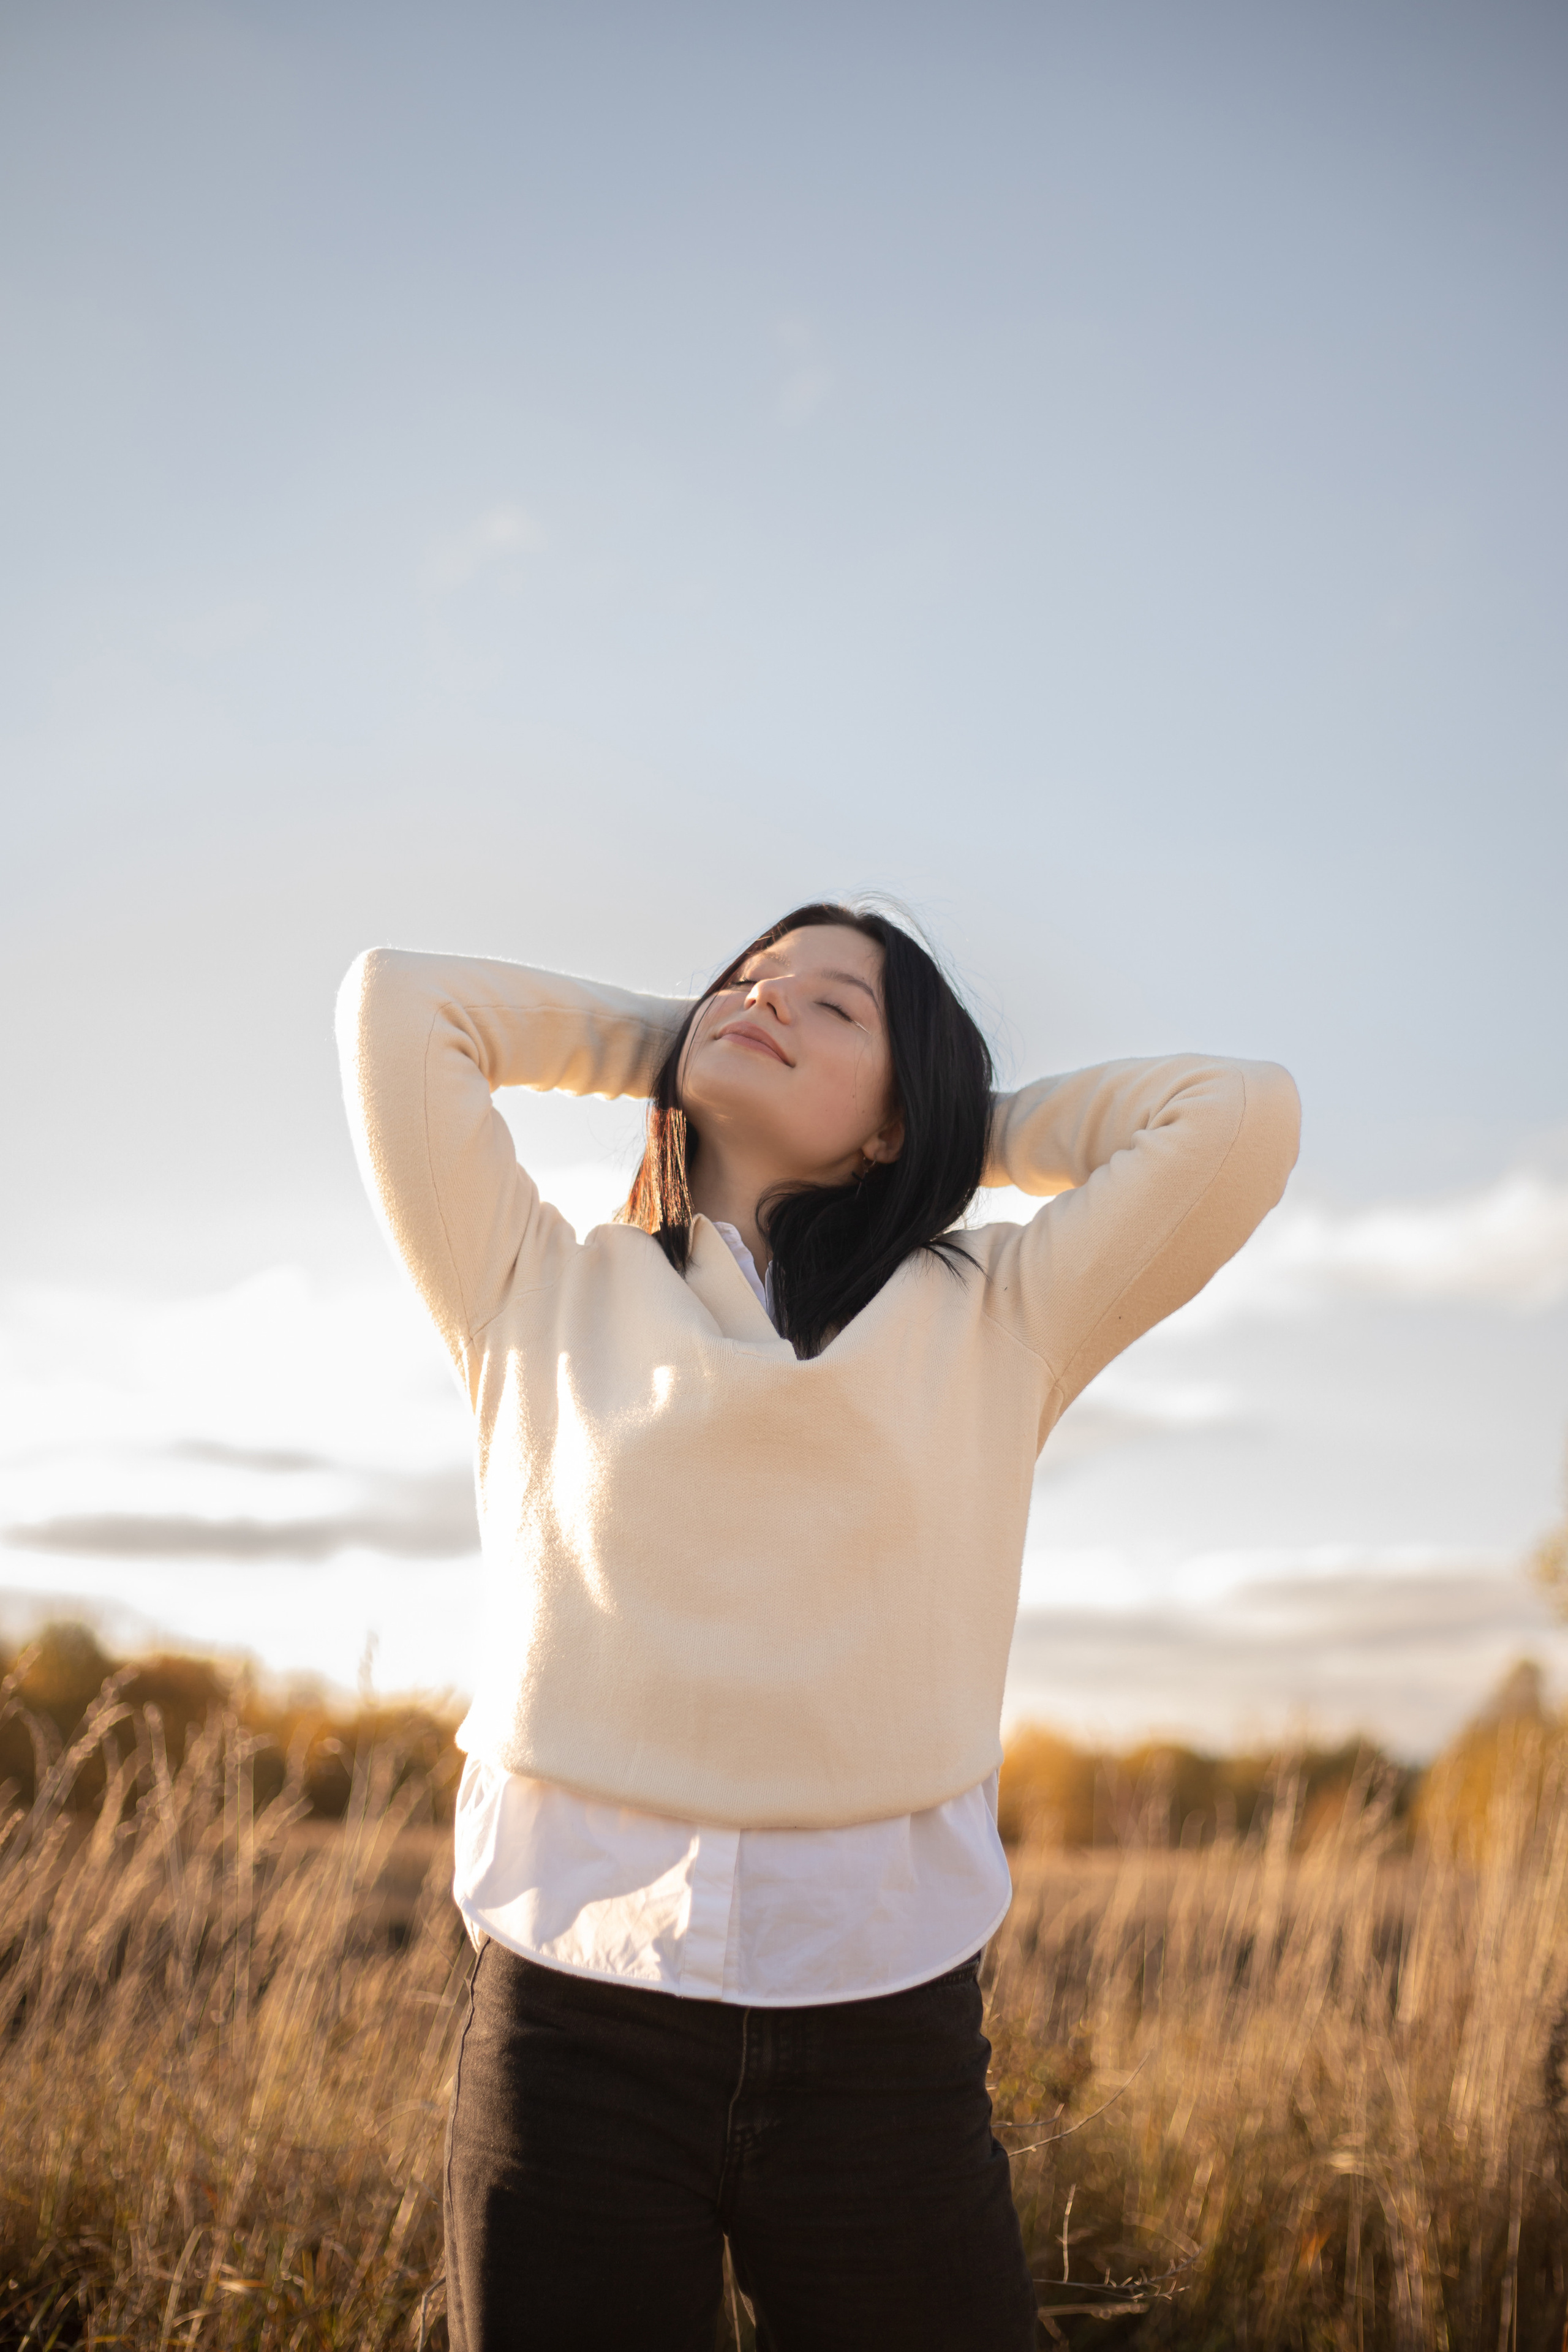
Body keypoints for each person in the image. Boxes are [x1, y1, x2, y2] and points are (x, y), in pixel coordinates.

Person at [336, 902, 1299, 2351]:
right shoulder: (533, 1286)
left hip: (882, 2035)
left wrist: (956, 1127)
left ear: (894, 1127)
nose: (761, 1000)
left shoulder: (997, 1317)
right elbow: (400, 1004)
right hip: (571, 2027)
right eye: (744, 980)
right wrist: (678, 1048)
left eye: (835, 1009)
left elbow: (1237, 1116)